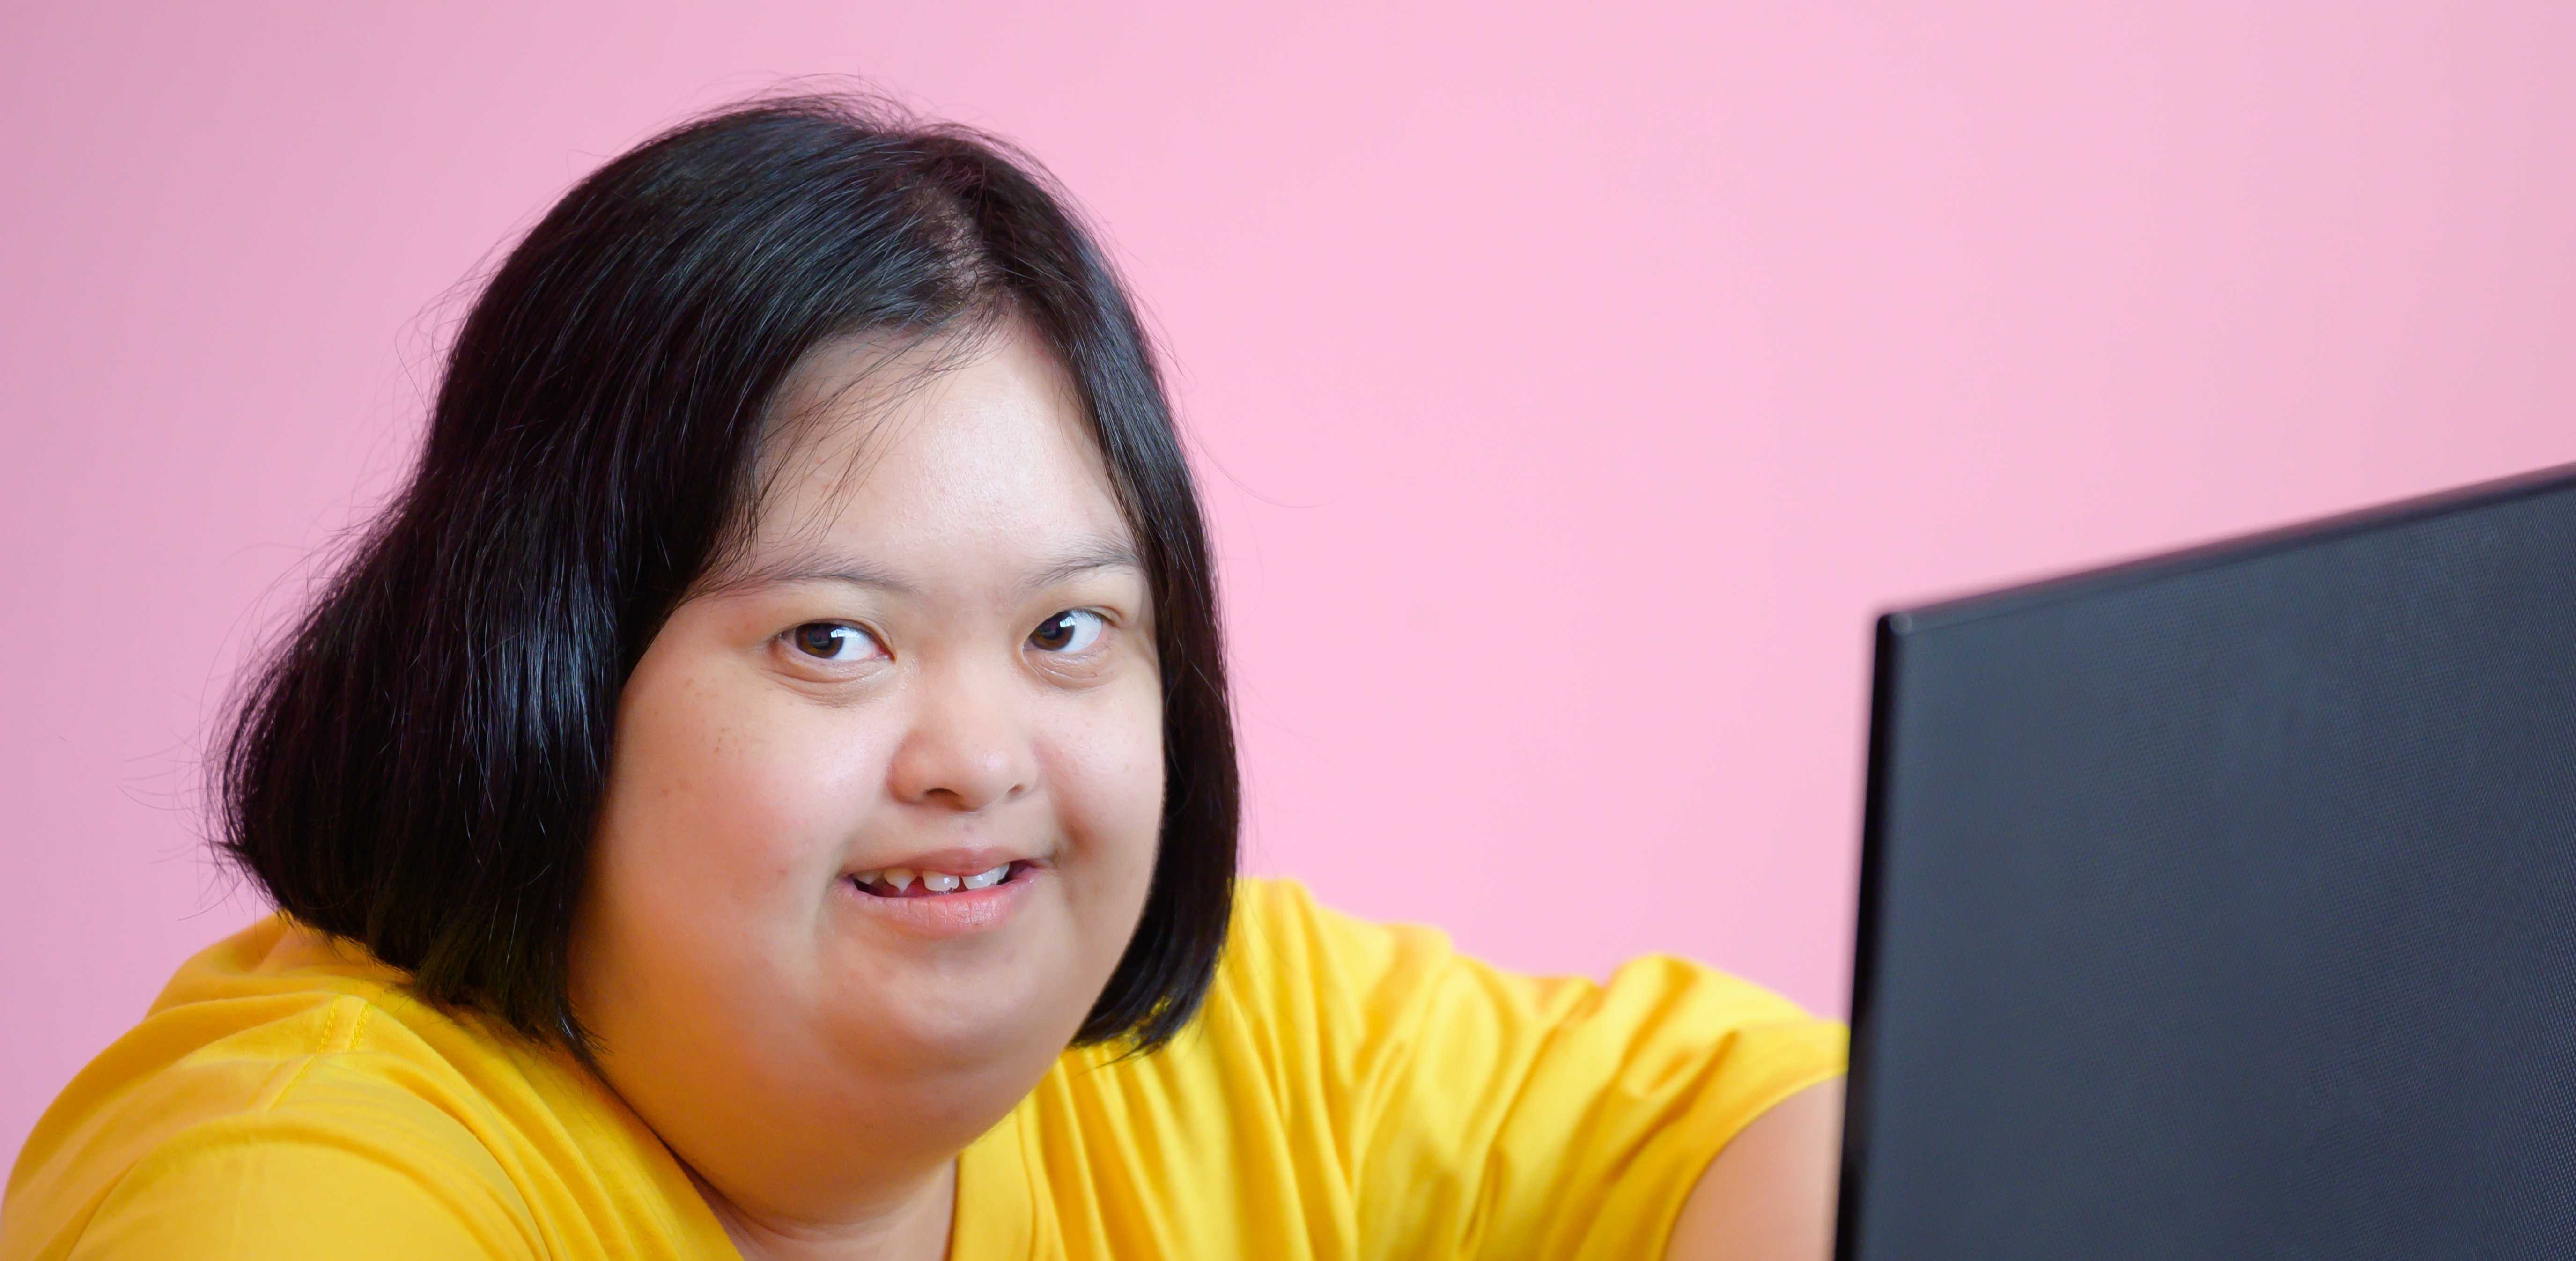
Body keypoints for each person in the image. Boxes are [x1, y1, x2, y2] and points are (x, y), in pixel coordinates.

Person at [0, 95, 1846, 1261]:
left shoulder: (1223, 1047)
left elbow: (1803, 1134)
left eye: (1066, 632)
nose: (979, 755)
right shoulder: (284, 1190)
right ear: (541, 684)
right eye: (834, 640)